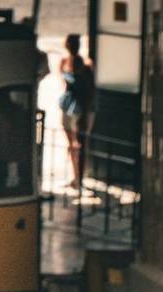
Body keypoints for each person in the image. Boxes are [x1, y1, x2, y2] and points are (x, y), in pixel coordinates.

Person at [58, 33, 96, 190]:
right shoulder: (87, 66)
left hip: (72, 107)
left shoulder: (65, 63)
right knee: (78, 144)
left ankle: (77, 177)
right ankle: (77, 177)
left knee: (73, 144)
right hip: (79, 107)